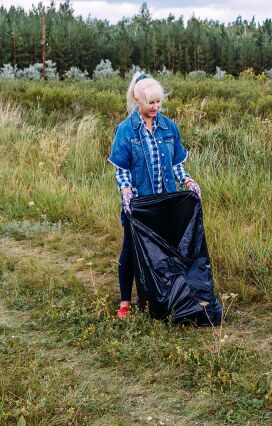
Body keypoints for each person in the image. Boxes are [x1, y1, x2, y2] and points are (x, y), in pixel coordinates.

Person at [108, 72, 201, 319]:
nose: (156, 107)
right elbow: (122, 170)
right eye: (151, 103)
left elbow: (176, 165)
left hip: (166, 203)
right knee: (131, 249)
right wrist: (126, 193)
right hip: (139, 205)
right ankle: (126, 302)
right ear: (138, 99)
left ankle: (157, 297)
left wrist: (189, 181)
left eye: (159, 102)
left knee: (164, 251)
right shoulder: (125, 130)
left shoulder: (168, 127)